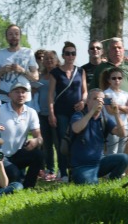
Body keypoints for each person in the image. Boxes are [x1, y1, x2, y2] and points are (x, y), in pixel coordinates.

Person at [95, 37, 128, 174]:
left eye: (119, 47)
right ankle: (108, 174)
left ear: (123, 50)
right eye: (113, 48)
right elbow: (106, 106)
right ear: (108, 50)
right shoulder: (102, 68)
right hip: (109, 123)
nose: (117, 50)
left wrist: (120, 108)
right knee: (111, 149)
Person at [69, 88, 128, 185]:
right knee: (92, 186)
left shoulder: (104, 119)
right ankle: (88, 178)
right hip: (82, 166)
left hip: (99, 163)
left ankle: (112, 182)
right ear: (87, 102)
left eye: (101, 99)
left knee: (124, 158)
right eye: (95, 99)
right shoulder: (78, 115)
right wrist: (92, 111)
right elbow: (76, 128)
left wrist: (116, 113)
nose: (99, 102)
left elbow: (122, 134)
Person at [48, 41, 87, 181]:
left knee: (77, 141)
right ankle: (63, 171)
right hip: (61, 112)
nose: (71, 56)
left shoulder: (80, 71)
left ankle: (75, 170)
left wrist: (83, 101)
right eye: (68, 53)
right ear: (63, 55)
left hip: (77, 112)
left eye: (73, 53)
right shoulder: (55, 72)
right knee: (63, 142)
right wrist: (51, 113)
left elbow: (85, 91)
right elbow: (51, 94)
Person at [0, 81, 44, 189]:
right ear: (9, 95)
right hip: (0, 156)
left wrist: (36, 141)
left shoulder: (31, 112)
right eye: (17, 92)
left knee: (38, 155)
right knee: (14, 174)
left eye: (23, 92)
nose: (20, 95)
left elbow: (39, 138)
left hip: (18, 154)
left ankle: (28, 187)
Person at [0, 24, 39, 104]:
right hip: (5, 98)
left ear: (20, 36)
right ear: (6, 37)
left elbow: (36, 77)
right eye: (10, 34)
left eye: (16, 34)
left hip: (24, 99)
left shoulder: (28, 52)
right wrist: (2, 70)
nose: (13, 36)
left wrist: (22, 71)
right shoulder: (0, 54)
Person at [102, 67, 128, 156]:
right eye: (114, 78)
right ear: (109, 80)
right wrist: (125, 109)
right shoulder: (106, 94)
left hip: (125, 127)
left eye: (119, 78)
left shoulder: (126, 94)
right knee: (111, 153)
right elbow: (109, 111)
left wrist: (118, 107)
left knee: (121, 153)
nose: (117, 80)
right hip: (112, 127)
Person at [36, 50, 58, 181]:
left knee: (57, 142)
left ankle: (62, 169)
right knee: (46, 144)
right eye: (46, 59)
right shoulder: (40, 76)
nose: (49, 61)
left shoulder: (59, 75)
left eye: (51, 58)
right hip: (41, 114)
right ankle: (49, 169)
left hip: (55, 114)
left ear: (56, 60)